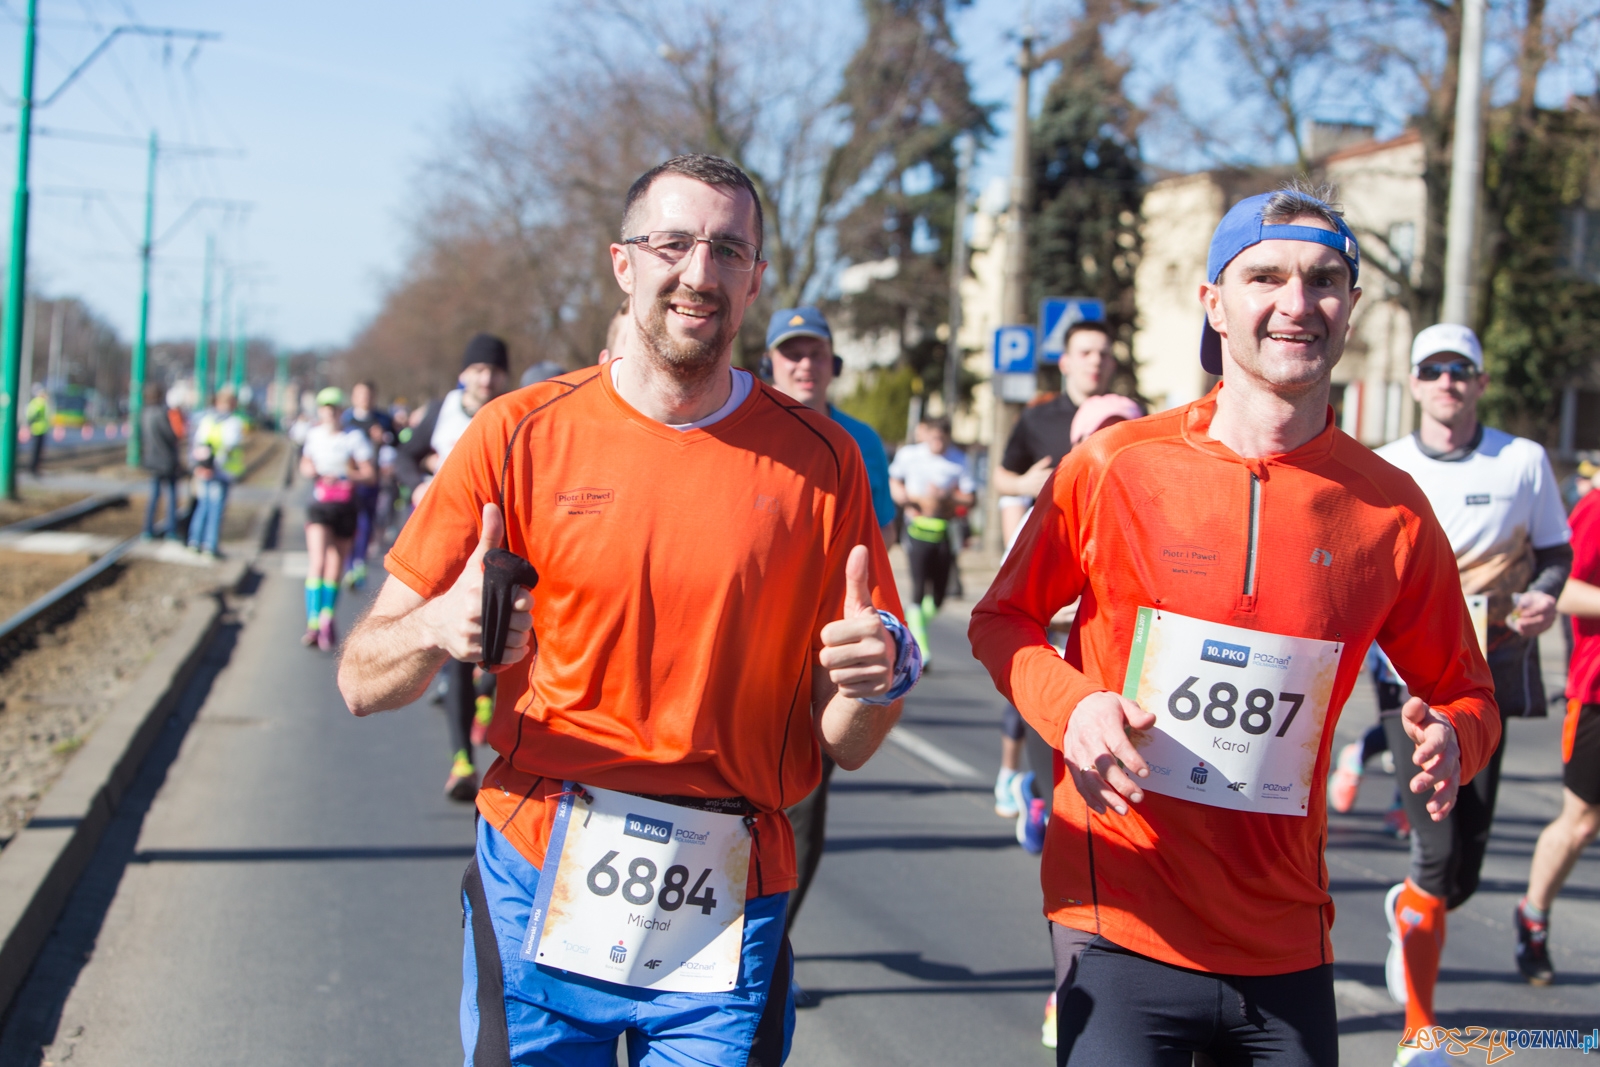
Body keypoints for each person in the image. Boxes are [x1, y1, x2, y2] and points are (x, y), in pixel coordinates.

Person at [338, 154, 918, 1066]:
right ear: (624, 263)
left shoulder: (823, 460)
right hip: (540, 864)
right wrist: (436, 625)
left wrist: (879, 677)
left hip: (729, 896)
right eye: (674, 243)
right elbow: (359, 678)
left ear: (756, 278)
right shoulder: (517, 435)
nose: (699, 272)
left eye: (728, 250)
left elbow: (849, 736)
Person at [969, 186, 1499, 1067]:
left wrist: (1456, 739)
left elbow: (1466, 691)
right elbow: (1003, 620)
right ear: (1215, 303)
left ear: (1353, 308)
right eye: (1266, 277)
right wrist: (1074, 709)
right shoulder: (1116, 465)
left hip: (1287, 940)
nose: (1297, 304)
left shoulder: (1391, 512)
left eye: (1325, 279)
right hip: (1120, 915)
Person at [1372, 323, 1570, 1045]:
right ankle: (1419, 1031)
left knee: (1465, 865)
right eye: (1434, 369)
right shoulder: (1385, 466)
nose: (1448, 381)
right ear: (1416, 382)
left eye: (1462, 369)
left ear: (1481, 382)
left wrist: (1546, 593)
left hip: (1492, 670)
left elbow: (1554, 550)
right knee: (1434, 848)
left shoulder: (1522, 460)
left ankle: (1416, 911)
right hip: (1408, 680)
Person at [762, 304, 895, 950]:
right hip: (754, 640)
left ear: (834, 364)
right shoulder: (746, 429)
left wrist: (885, 626)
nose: (804, 364)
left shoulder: (861, 443)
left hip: (826, 650)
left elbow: (884, 538)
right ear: (771, 363)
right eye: (792, 352)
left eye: (816, 353)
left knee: (805, 802)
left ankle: (770, 945)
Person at [395, 333, 513, 799]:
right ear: (464, 373)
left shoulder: (511, 412)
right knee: (455, 655)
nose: (485, 378)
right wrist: (419, 486)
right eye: (478, 370)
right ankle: (461, 760)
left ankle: (487, 696)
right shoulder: (440, 412)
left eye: (493, 371)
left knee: (500, 642)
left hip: (499, 545)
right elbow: (404, 456)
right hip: (447, 547)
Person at [1515, 482, 1600, 986]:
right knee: (1581, 822)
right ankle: (1534, 913)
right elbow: (1561, 586)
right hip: (1596, 693)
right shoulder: (1595, 507)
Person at [992, 320, 1116, 547]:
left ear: (1112, 364)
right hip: (1053, 545)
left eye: (1103, 354)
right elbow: (1001, 477)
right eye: (1085, 353)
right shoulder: (1037, 416)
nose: (1096, 360)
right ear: (1065, 363)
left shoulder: (1130, 417)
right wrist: (1022, 485)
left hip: (1108, 546)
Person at [889, 415, 975, 667]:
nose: (937, 443)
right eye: (933, 437)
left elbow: (970, 497)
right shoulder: (910, 455)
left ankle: (912, 622)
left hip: (944, 529)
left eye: (941, 438)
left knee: (938, 596)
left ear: (948, 437)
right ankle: (922, 652)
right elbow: (894, 479)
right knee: (918, 586)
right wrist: (907, 498)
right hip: (916, 527)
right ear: (926, 435)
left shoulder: (958, 460)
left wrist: (948, 497)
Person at [299, 388, 375, 650]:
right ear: (320, 411)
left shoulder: (353, 438)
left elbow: (369, 473)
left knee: (335, 564)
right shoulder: (313, 435)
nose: (330, 412)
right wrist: (314, 471)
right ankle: (312, 622)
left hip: (345, 506)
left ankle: (326, 616)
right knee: (317, 560)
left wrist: (347, 475)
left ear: (341, 410)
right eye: (325, 407)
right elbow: (305, 464)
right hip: (320, 505)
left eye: (334, 407)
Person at [340, 381, 395, 590]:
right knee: (349, 524)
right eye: (360, 394)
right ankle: (349, 562)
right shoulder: (346, 420)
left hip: (373, 479)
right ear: (353, 397)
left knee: (366, 521)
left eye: (368, 395)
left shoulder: (381, 419)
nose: (364, 399)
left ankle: (358, 562)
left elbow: (397, 445)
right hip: (349, 480)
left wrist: (383, 439)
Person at [187, 386, 245, 558]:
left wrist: (201, 467)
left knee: (203, 505)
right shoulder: (233, 422)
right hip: (220, 473)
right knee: (215, 509)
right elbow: (229, 447)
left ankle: (194, 541)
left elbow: (198, 445)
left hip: (206, 470)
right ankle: (210, 545)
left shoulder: (207, 420)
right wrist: (211, 466)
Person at [139, 382, 184, 540]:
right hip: (166, 460)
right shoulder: (163, 413)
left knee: (154, 495)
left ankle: (147, 529)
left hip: (152, 460)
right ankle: (171, 530)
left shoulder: (144, 413)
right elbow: (172, 436)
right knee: (171, 496)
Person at [25, 384, 48, 476]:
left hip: (41, 429)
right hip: (38, 429)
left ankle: (35, 468)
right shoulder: (39, 402)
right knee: (36, 451)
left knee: (38, 451)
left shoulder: (39, 402)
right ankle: (33, 469)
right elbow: (32, 416)